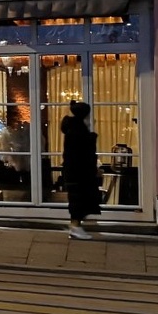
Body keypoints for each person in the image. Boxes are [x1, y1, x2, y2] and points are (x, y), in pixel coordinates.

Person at [60, 100, 100, 239]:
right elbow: (83, 153)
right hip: (79, 171)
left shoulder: (74, 128)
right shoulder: (78, 131)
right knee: (79, 198)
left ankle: (75, 226)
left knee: (78, 198)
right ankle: (75, 226)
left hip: (75, 170)